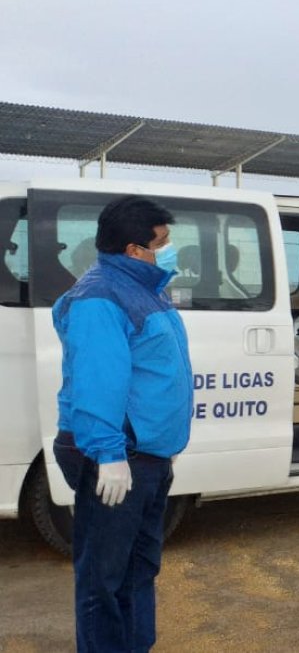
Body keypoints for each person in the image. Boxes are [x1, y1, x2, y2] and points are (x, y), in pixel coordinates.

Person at [51, 196, 192, 652]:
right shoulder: (101, 296)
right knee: (103, 580)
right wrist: (109, 454)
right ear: (135, 249)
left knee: (138, 570)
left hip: (146, 456)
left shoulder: (144, 286)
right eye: (163, 242)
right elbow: (98, 382)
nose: (170, 249)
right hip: (118, 457)